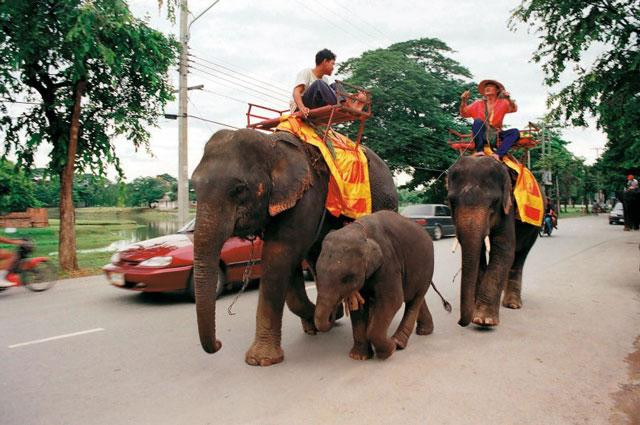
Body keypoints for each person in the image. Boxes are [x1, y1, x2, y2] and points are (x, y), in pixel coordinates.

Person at [290, 48, 367, 118]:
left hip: (316, 105)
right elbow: (296, 92)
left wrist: (352, 96)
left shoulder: (325, 79)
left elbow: (330, 93)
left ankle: (348, 104)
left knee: (335, 85)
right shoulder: (307, 72)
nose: (333, 68)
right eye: (332, 64)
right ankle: (348, 105)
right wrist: (302, 108)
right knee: (319, 84)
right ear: (325, 61)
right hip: (301, 107)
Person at [459, 79, 520, 161]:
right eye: (486, 87)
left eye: (490, 86)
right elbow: (464, 114)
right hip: (482, 133)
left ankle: (498, 154)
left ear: (497, 90)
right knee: (477, 121)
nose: (487, 88)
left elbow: (514, 109)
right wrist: (463, 100)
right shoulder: (478, 103)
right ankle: (479, 150)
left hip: (496, 134)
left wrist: (508, 98)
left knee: (515, 132)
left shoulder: (503, 102)